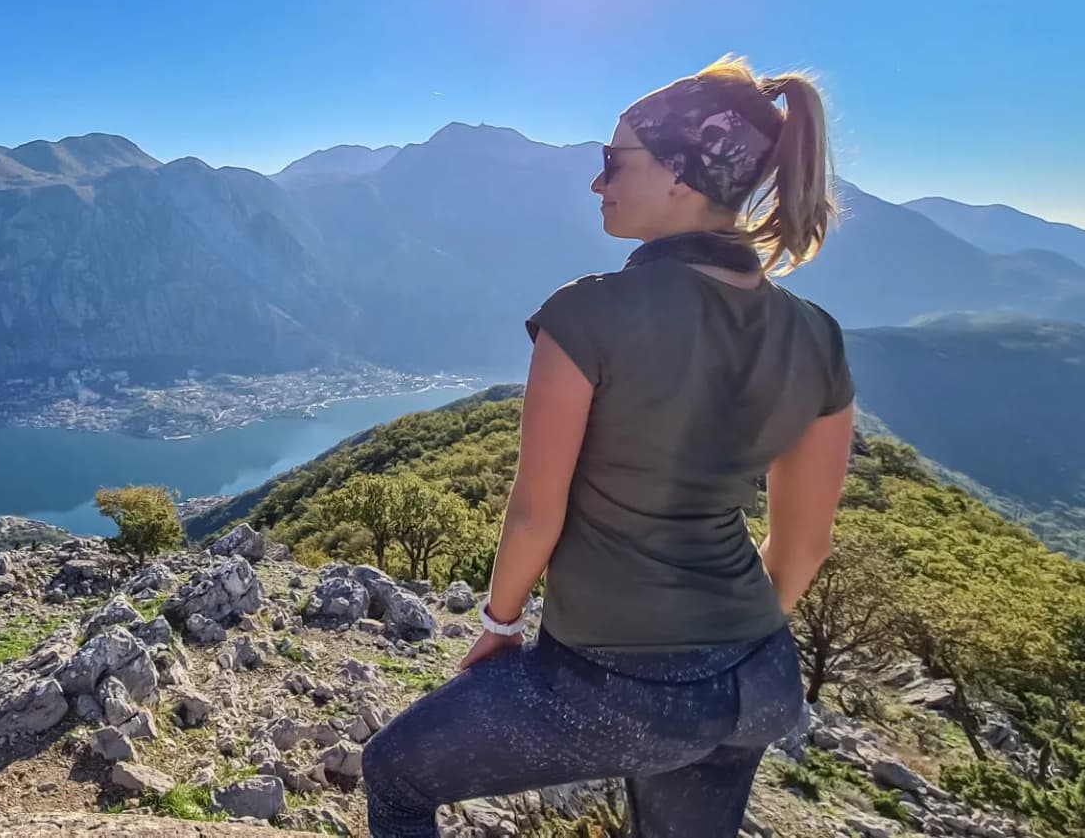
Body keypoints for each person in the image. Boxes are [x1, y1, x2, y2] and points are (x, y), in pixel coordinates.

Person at [361, 56, 855, 837]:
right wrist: (728, 649)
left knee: (394, 773)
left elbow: (534, 515)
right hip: (761, 680)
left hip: (616, 680)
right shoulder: (817, 336)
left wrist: (500, 622)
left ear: (680, 176)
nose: (597, 184)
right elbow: (807, 544)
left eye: (612, 163)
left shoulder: (588, 315)